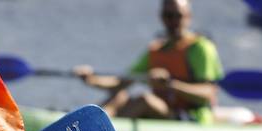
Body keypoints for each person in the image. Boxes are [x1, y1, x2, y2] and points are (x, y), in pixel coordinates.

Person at [74, 0, 223, 122]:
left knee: (145, 99)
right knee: (120, 96)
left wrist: (171, 84)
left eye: (178, 15)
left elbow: (208, 93)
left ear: (188, 17)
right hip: (163, 112)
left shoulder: (200, 48)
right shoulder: (156, 50)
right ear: (162, 17)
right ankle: (88, 127)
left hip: (191, 116)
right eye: (168, 15)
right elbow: (121, 82)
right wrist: (91, 79)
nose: (173, 21)